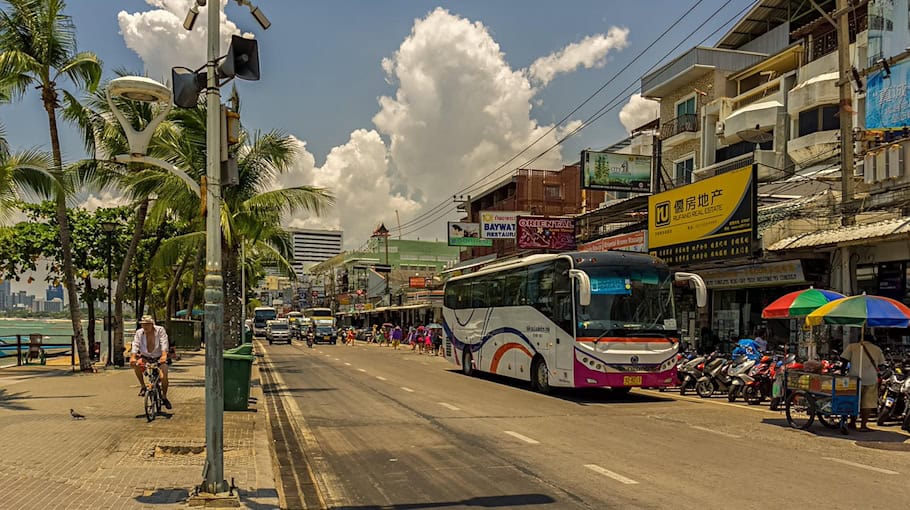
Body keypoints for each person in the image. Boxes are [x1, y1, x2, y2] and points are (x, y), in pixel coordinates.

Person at [841, 336, 885, 432]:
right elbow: (882, 364)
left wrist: (842, 373)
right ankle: (863, 425)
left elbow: (844, 361)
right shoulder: (877, 349)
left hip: (854, 379)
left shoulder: (852, 346)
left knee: (854, 401)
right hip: (871, 379)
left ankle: (852, 422)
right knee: (867, 404)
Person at [130, 315, 171, 410]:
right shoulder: (139, 333)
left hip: (159, 357)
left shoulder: (160, 330)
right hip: (146, 357)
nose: (145, 327)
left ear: (152, 324)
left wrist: (164, 355)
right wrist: (132, 357)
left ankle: (164, 397)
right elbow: (135, 344)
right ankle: (143, 386)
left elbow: (164, 342)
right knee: (135, 365)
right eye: (143, 325)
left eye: (147, 324)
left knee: (163, 376)